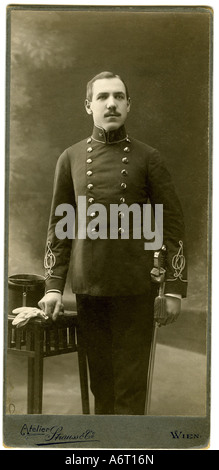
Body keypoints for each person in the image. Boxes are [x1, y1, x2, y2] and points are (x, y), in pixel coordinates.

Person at [38, 71, 187, 415]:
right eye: (103, 97)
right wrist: (53, 288)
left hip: (136, 289)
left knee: (130, 390)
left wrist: (175, 290)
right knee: (101, 388)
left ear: (129, 105)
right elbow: (59, 229)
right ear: (88, 105)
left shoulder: (149, 158)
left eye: (119, 97)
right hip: (89, 289)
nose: (111, 104)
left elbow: (173, 225)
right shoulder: (71, 158)